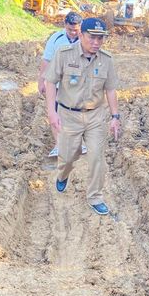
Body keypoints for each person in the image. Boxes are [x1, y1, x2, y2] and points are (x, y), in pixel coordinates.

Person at [44, 18, 120, 216]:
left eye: (100, 38)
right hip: (68, 115)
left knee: (96, 157)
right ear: (81, 35)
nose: (96, 42)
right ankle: (63, 175)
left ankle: (95, 196)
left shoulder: (106, 60)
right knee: (68, 157)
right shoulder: (63, 54)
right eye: (92, 37)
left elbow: (110, 89)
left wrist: (115, 116)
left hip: (95, 116)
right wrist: (52, 113)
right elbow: (50, 82)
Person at [38, 12, 87, 157]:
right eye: (70, 29)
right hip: (58, 83)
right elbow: (46, 60)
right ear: (64, 25)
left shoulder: (87, 39)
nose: (73, 33)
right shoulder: (55, 39)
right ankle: (59, 144)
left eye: (76, 30)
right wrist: (41, 81)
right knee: (55, 111)